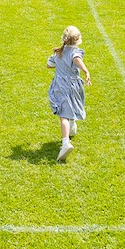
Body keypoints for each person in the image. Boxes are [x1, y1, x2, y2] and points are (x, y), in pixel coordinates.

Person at [47, 26, 91, 163]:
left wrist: (58, 63)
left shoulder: (59, 52)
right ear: (78, 40)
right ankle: (72, 126)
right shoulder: (75, 52)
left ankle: (65, 142)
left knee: (63, 114)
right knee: (72, 105)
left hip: (61, 86)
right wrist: (86, 71)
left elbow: (49, 65)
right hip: (74, 85)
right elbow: (77, 59)